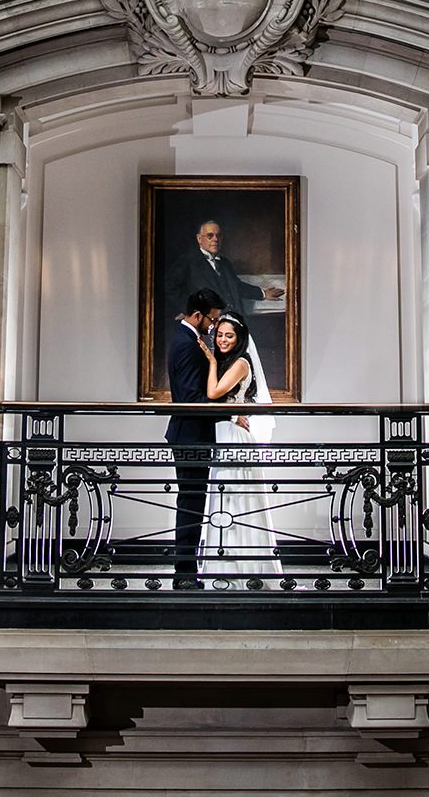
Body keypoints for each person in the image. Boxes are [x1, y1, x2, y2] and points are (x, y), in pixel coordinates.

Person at [197, 312, 282, 583]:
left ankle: (246, 568)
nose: (222, 340)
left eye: (228, 336)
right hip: (225, 432)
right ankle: (222, 567)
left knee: (236, 497)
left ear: (239, 338)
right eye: (219, 335)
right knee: (224, 498)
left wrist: (210, 361)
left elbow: (213, 394)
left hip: (234, 437)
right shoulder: (229, 361)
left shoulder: (241, 363)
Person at [164, 288, 225, 588]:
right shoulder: (187, 344)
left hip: (191, 434)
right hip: (190, 435)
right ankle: (184, 574)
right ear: (197, 315)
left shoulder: (187, 338)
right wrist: (228, 413)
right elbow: (192, 398)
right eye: (212, 321)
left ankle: (186, 571)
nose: (213, 326)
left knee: (193, 502)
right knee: (190, 504)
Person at [161, 219, 287, 322]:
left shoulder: (225, 263)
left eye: (218, 235)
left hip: (234, 320)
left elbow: (237, 286)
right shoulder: (187, 261)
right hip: (207, 323)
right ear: (199, 239)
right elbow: (169, 286)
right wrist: (189, 309)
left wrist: (262, 293)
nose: (215, 239)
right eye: (210, 236)